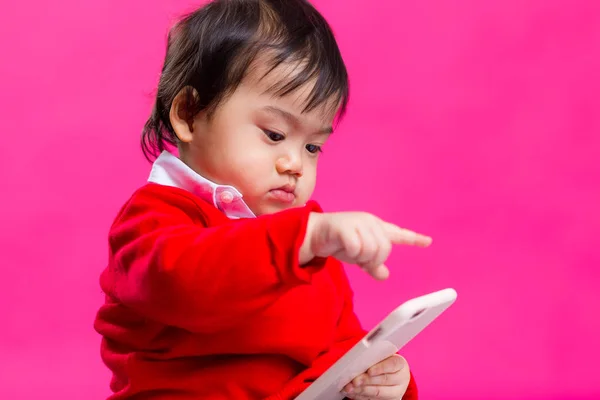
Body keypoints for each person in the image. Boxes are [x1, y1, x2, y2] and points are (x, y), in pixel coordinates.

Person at [94, 0, 432, 399]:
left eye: (312, 147)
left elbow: (334, 351)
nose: (295, 164)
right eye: (274, 134)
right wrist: (303, 240)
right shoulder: (153, 220)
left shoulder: (305, 244)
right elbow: (187, 284)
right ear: (188, 114)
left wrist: (378, 378)